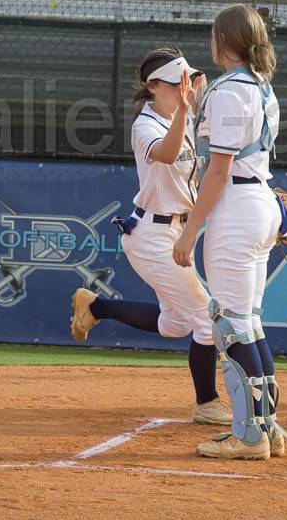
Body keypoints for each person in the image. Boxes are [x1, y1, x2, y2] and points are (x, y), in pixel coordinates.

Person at [70, 48, 233, 427]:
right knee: (206, 320)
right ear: (152, 86)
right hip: (151, 235)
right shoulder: (145, 125)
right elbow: (166, 153)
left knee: (176, 324)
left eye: (188, 80)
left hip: (177, 228)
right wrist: (184, 112)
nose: (186, 87)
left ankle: (96, 307)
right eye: (178, 82)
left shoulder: (186, 116)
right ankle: (207, 403)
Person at [173, 4, 285, 461]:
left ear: (225, 39)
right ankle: (266, 425)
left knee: (232, 327)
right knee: (249, 324)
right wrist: (199, 108)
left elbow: (219, 171)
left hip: (235, 208)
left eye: (214, 34)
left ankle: (249, 435)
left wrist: (189, 232)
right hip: (259, 203)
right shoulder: (259, 85)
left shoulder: (229, 90)